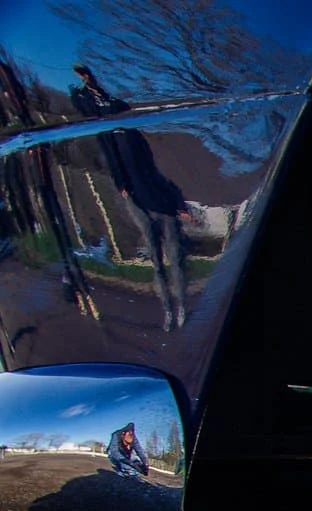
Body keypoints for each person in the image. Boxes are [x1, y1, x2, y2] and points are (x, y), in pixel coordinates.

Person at [70, 66, 188, 331]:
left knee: (174, 255)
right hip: (135, 196)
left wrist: (176, 203)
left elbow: (156, 171)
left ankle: (179, 306)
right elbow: (83, 106)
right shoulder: (105, 132)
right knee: (157, 260)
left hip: (157, 197)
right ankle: (169, 309)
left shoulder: (132, 133)